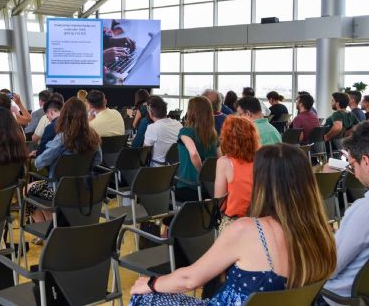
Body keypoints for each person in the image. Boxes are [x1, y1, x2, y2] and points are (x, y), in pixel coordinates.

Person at [129, 144, 337, 305]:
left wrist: (151, 283)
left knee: (143, 297)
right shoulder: (322, 234)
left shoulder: (247, 230)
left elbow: (190, 280)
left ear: (261, 182)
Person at [319, 121, 369, 304]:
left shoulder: (362, 211)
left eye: (352, 165)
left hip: (339, 298)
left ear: (365, 161)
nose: (354, 173)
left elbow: (329, 267)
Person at [29, 98, 102, 223]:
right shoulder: (93, 135)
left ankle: (49, 228)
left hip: (59, 189)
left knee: (28, 189)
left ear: (65, 116)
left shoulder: (63, 137)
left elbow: (40, 162)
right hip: (83, 187)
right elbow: (97, 161)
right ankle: (52, 225)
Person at [214, 116, 259, 230]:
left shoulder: (224, 162)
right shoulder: (261, 160)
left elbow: (220, 203)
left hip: (235, 223)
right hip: (258, 221)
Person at [176, 96, 219, 202]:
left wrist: (202, 172)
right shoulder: (213, 135)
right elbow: (220, 157)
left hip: (189, 187)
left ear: (191, 113)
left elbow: (194, 153)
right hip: (209, 189)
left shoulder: (185, 132)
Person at [143, 95, 182, 165]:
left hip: (158, 169)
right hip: (177, 167)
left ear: (150, 113)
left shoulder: (152, 128)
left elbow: (144, 152)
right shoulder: (178, 124)